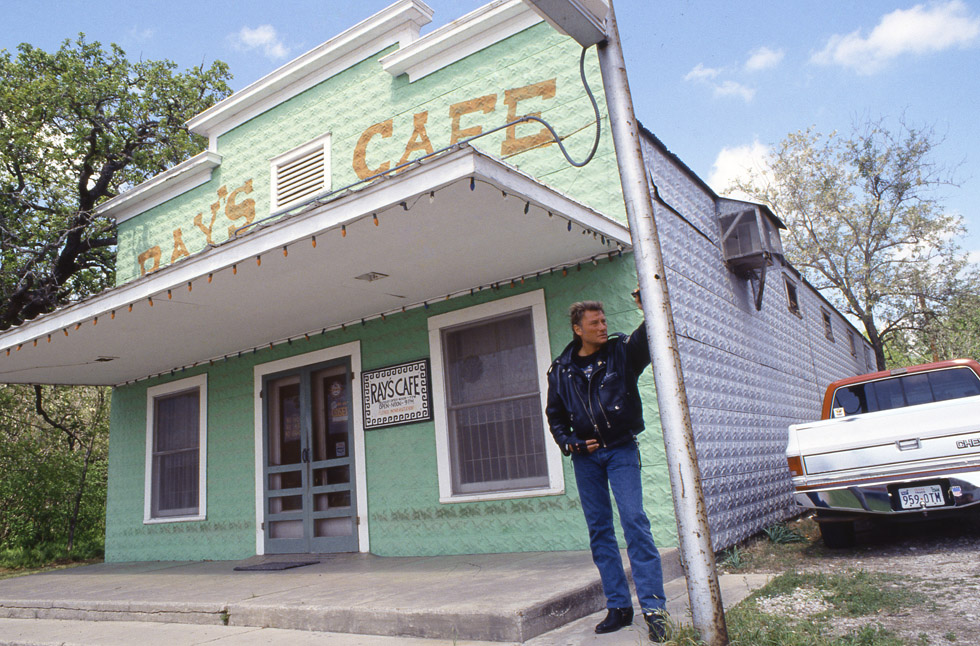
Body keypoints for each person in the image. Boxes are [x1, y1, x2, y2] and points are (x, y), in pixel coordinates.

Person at [545, 297, 669, 642]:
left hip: (620, 449)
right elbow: (555, 417)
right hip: (586, 458)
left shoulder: (621, 353)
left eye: (604, 321)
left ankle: (654, 608)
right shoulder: (561, 370)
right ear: (577, 329)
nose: (603, 327)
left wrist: (648, 307)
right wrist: (570, 443)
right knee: (600, 530)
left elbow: (648, 338)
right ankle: (619, 606)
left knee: (634, 521)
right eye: (595, 323)